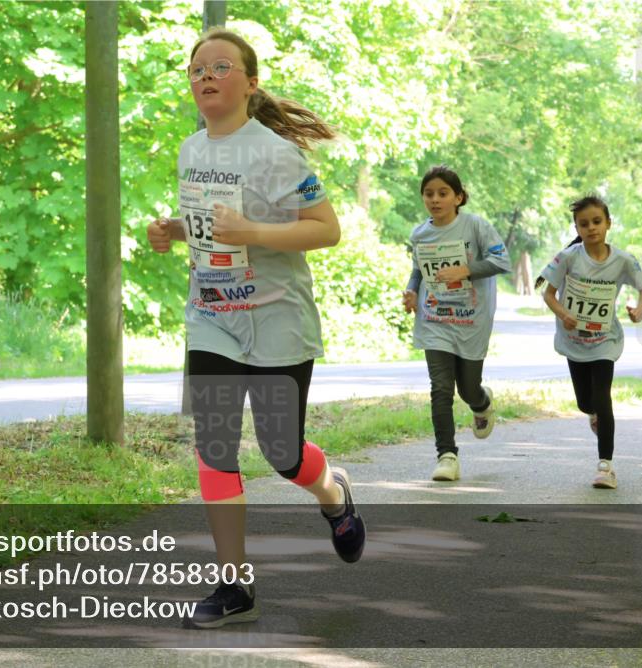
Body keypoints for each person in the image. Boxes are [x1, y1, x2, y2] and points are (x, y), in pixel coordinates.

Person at [146, 28, 365, 630]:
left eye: (220, 66)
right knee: (214, 445)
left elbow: (326, 229)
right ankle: (234, 586)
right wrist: (175, 231)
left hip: (277, 319)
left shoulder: (275, 153)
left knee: (283, 455)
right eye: (196, 69)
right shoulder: (192, 150)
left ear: (250, 82)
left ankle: (333, 493)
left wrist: (254, 234)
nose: (205, 76)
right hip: (212, 315)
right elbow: (215, 229)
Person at [402, 166, 511, 482]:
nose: (435, 199)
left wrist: (465, 270)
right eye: (429, 194)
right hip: (434, 320)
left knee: (467, 388)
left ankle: (482, 402)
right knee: (440, 389)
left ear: (458, 198)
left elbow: (500, 261)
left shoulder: (475, 226)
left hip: (471, 320)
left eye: (442, 193)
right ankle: (447, 456)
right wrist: (411, 290)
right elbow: (418, 270)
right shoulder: (420, 234)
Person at [537, 195, 642, 489]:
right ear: (577, 227)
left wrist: (639, 310)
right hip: (574, 340)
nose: (591, 228)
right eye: (584, 224)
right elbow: (548, 294)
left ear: (608, 223)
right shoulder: (569, 257)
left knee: (603, 397)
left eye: (597, 222)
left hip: (604, 340)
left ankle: (606, 465)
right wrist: (563, 313)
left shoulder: (623, 260)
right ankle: (593, 413)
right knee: (586, 402)